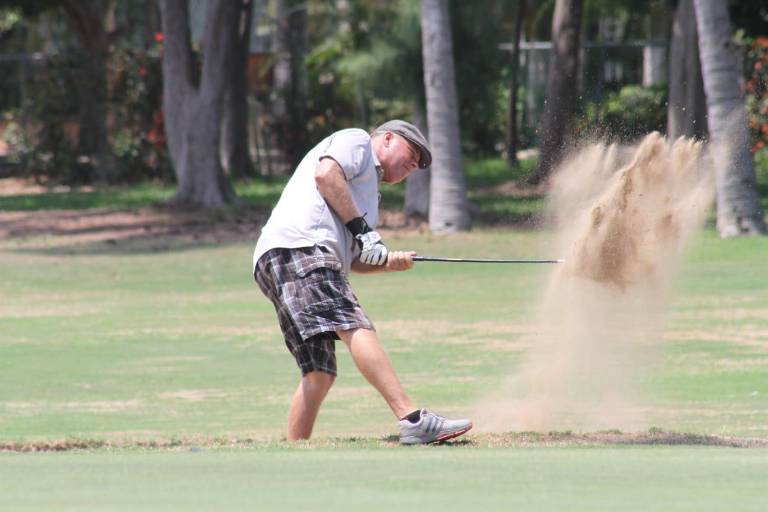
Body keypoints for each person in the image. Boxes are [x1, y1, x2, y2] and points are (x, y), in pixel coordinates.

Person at [253, 120, 473, 444]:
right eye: (412, 154)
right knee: (354, 324)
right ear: (386, 138)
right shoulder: (356, 143)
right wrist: (365, 232)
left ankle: (294, 449)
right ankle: (412, 419)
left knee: (319, 372)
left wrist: (389, 262)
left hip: (281, 258)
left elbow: (354, 259)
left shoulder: (370, 198)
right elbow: (325, 175)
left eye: (418, 165)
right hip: (302, 247)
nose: (414, 165)